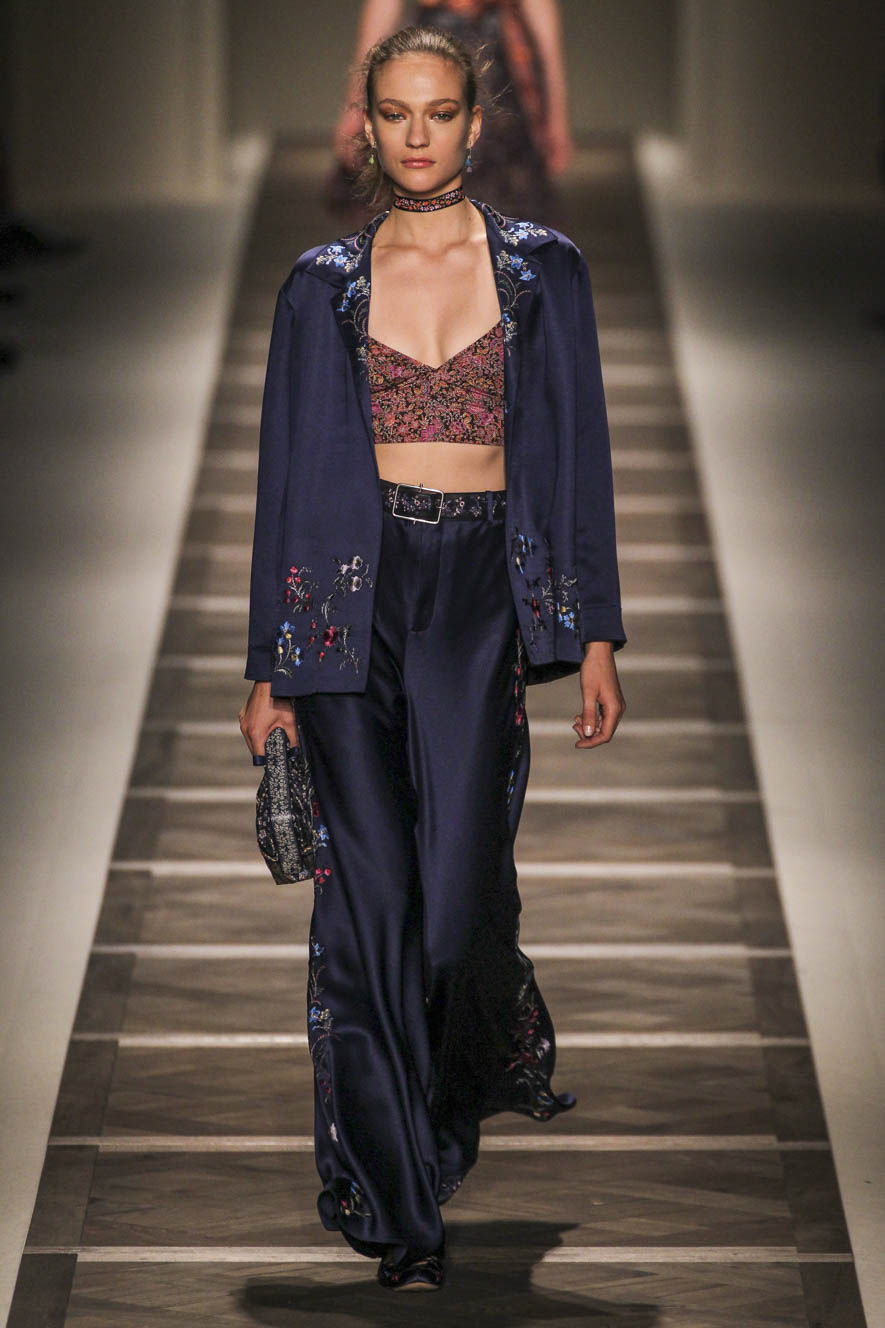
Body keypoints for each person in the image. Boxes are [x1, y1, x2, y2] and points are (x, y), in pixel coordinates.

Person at [239, 23, 626, 1293]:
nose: (417, 134)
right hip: (347, 606)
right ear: (366, 122)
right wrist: (269, 666)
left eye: (439, 112)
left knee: (455, 912)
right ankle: (395, 1199)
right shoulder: (320, 287)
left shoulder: (543, 273)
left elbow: (577, 452)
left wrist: (596, 629)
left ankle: (441, 1112)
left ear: (475, 120)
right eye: (395, 112)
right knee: (369, 910)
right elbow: (285, 481)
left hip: (476, 604)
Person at [325, 0, 573, 222]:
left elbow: (540, 13)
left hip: (494, 67)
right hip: (436, 57)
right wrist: (356, 100)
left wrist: (556, 112)